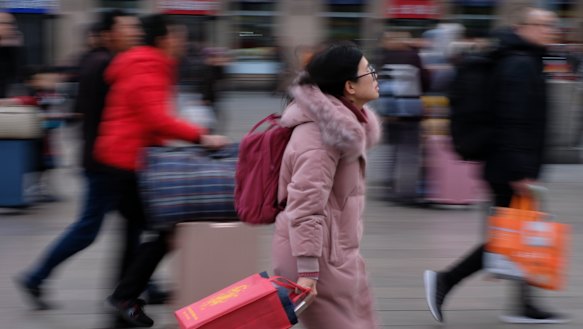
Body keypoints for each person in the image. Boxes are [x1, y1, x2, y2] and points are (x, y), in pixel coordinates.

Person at [423, 7, 569, 324]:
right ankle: (445, 281)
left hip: (510, 165)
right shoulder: (519, 63)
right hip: (510, 168)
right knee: (512, 237)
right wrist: (520, 172)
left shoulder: (524, 59)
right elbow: (513, 120)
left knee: (521, 234)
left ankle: (525, 304)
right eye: (544, 25)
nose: (550, 30)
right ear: (523, 27)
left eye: (552, 25)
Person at [98, 14, 227, 328]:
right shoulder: (149, 65)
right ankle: (124, 298)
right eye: (177, 36)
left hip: (120, 159)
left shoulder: (142, 61)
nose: (181, 42)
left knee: (135, 235)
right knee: (166, 230)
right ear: (162, 39)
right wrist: (201, 136)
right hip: (127, 162)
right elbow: (155, 118)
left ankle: (123, 304)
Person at [15, 10, 144, 312]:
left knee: (135, 223)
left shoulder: (93, 61)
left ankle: (141, 284)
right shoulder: (106, 65)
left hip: (104, 159)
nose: (134, 33)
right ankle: (36, 276)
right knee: (91, 227)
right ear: (107, 33)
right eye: (127, 28)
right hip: (106, 163)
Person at [271, 43, 382, 329]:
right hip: (316, 263)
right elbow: (305, 204)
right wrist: (308, 271)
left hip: (341, 257)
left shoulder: (345, 130)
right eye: (368, 70)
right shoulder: (321, 136)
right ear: (350, 87)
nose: (375, 74)